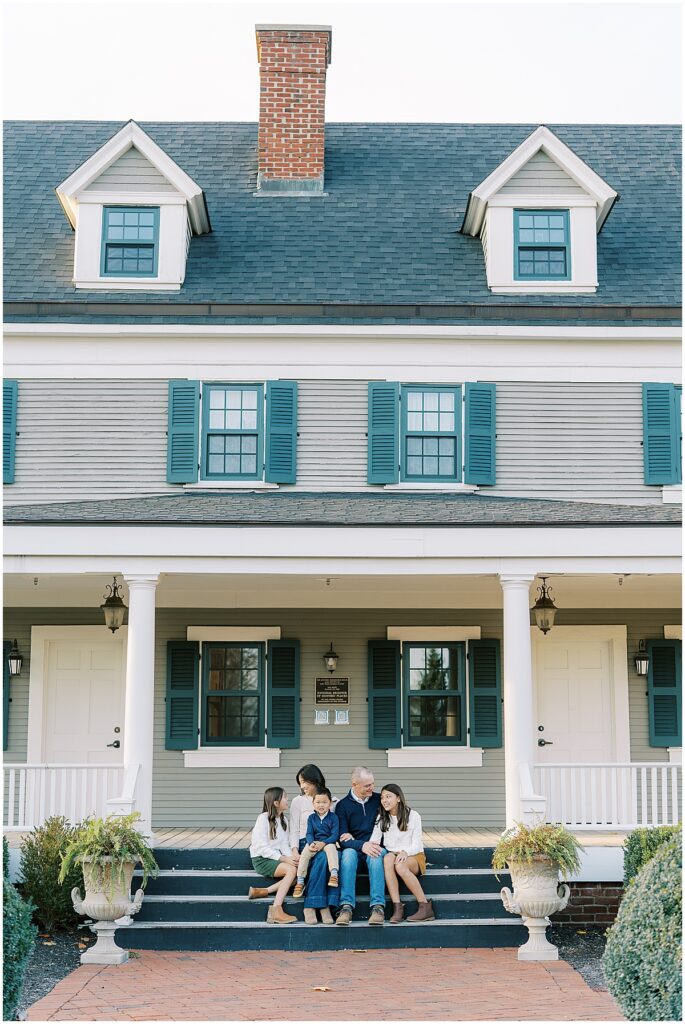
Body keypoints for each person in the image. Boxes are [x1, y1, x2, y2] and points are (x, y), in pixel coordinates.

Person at [371, 783, 434, 923]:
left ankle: (425, 906)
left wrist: (406, 852)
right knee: (387, 858)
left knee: (400, 865)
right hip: (394, 855)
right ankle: (397, 907)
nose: (384, 800)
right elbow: (374, 840)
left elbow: (417, 845)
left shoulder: (413, 816)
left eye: (388, 796)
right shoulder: (382, 817)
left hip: (414, 855)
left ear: (398, 798)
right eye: (382, 797)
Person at [335, 766, 386, 926]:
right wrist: (361, 845)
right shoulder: (343, 806)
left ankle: (378, 907)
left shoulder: (379, 800)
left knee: (375, 853)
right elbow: (342, 838)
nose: (372, 788)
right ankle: (346, 907)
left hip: (376, 847)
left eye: (372, 784)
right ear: (354, 784)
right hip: (356, 851)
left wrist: (365, 844)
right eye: (367, 786)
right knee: (348, 853)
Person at [247, 786, 298, 924]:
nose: (288, 799)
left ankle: (263, 891)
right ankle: (276, 910)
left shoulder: (283, 820)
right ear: (276, 803)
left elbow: (283, 845)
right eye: (285, 797)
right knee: (291, 870)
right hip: (261, 859)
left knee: (299, 871)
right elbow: (261, 847)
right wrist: (284, 859)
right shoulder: (263, 819)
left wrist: (292, 858)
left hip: (275, 857)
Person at [293, 787, 339, 899]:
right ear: (313, 804)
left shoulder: (333, 817)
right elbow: (309, 833)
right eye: (318, 802)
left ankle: (333, 874)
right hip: (314, 842)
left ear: (330, 803)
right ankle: (300, 881)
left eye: (324, 802)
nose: (321, 805)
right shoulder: (311, 818)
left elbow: (335, 835)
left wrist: (324, 843)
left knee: (332, 850)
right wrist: (310, 843)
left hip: (328, 842)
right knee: (304, 854)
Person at [288, 763, 327, 859]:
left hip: (325, 842)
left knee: (329, 856)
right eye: (300, 783)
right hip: (304, 842)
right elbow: (294, 829)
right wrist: (294, 850)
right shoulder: (298, 801)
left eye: (304, 782)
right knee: (322, 857)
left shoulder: (330, 801)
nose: (302, 786)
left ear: (315, 780)